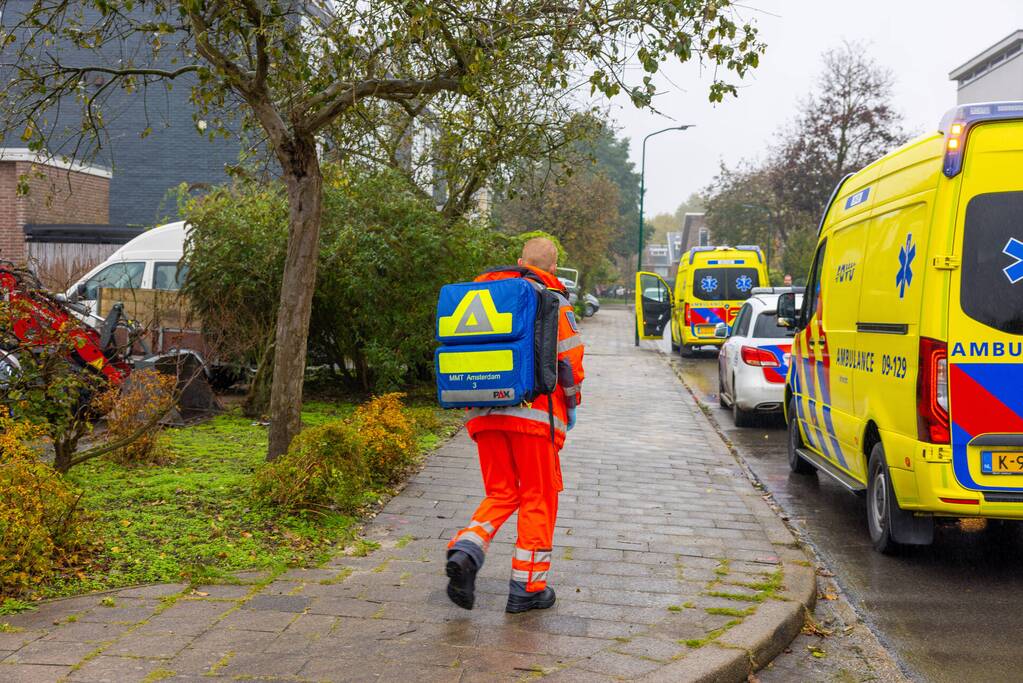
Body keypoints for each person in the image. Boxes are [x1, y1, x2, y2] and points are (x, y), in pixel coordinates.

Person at [445, 237, 585, 613]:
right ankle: (527, 588)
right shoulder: (553, 299)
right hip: (535, 416)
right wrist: (572, 405)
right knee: (538, 496)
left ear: (519, 260)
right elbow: (570, 364)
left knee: (502, 492)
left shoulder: (482, 293)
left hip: (483, 413)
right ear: (553, 268)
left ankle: (466, 549)